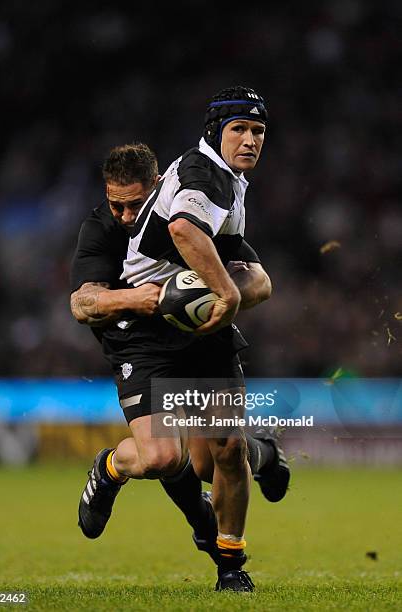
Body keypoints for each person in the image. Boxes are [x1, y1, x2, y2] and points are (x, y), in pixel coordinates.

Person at [71, 94, 289, 590]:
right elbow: (82, 304)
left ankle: (231, 567)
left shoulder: (219, 189)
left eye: (258, 132)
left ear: (158, 188)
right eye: (116, 204)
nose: (128, 216)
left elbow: (259, 280)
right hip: (142, 343)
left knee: (225, 452)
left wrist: (223, 296)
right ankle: (108, 469)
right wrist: (149, 299)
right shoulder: (108, 225)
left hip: (200, 337)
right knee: (165, 459)